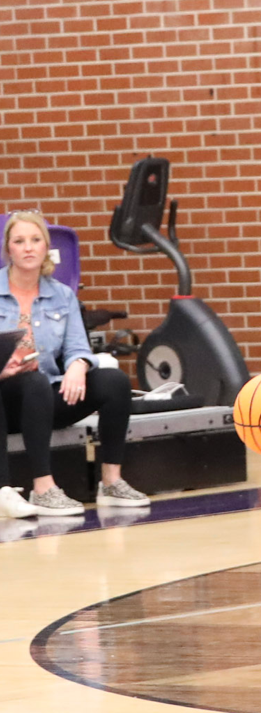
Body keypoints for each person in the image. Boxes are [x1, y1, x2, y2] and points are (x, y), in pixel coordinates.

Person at [0, 212, 148, 520]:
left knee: (114, 381)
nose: (28, 247)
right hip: (7, 400)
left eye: (35, 240)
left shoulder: (62, 295)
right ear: (8, 248)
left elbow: (78, 347)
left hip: (47, 395)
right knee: (34, 382)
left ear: (46, 247)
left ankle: (111, 482)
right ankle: (43, 488)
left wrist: (78, 365)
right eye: (19, 241)